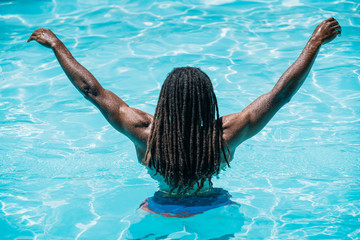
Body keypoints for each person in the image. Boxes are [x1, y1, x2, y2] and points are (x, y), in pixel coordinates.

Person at [27, 18, 341, 198]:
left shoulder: (144, 132)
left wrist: (57, 46)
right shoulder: (225, 134)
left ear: (164, 100)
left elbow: (91, 91)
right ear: (209, 101)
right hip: (213, 205)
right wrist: (314, 43)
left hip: (159, 207)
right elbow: (281, 94)